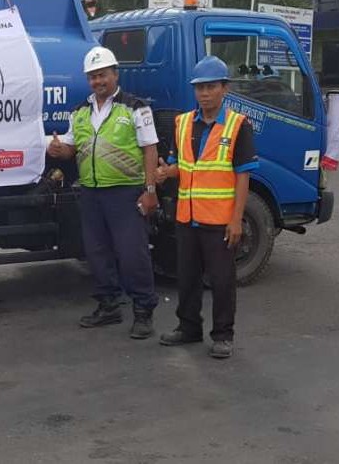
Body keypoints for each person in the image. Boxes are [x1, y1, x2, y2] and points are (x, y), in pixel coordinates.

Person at [47, 46, 160, 339]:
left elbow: (150, 149)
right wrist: (60, 150)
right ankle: (108, 305)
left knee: (132, 254)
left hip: (125, 193)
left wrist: (150, 190)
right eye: (93, 77)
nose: (98, 81)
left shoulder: (135, 107)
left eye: (102, 75)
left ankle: (143, 311)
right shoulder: (80, 112)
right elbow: (72, 148)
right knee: (97, 253)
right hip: (92, 193)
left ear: (115, 74)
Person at [155, 55, 259, 359]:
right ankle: (188, 328)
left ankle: (223, 335)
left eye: (211, 86)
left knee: (222, 281)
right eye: (199, 87)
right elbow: (181, 165)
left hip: (220, 220)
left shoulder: (238, 126)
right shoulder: (183, 123)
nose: (204, 93)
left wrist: (237, 220)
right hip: (187, 218)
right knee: (186, 278)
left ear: (224, 89)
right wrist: (165, 172)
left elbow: (243, 177)